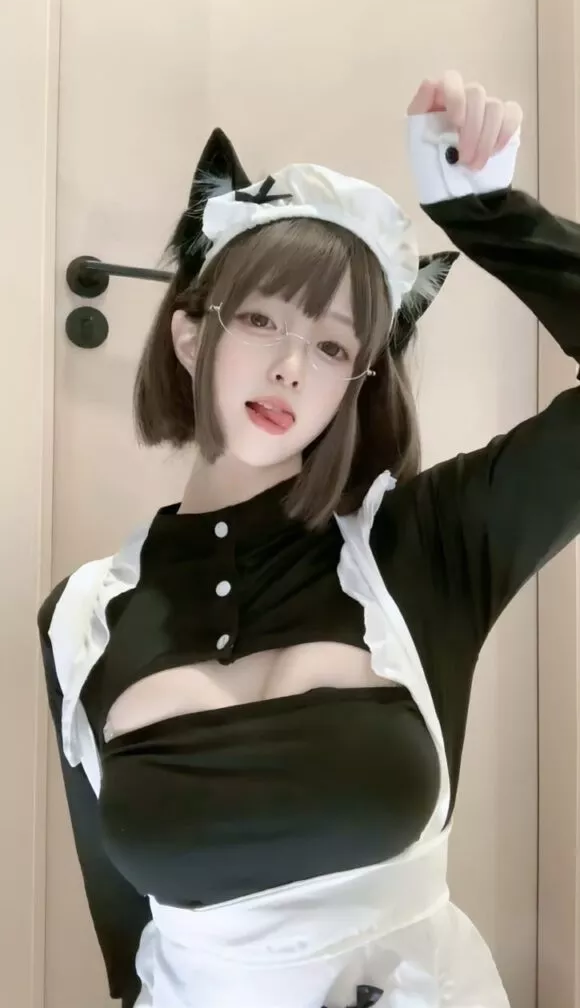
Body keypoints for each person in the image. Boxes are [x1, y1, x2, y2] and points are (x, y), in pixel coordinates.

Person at [38, 71, 579, 1008]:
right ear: (190, 338)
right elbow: (124, 926)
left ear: (356, 383)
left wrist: (484, 209)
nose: (292, 365)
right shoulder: (82, 615)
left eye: (332, 346)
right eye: (260, 319)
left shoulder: (425, 545)